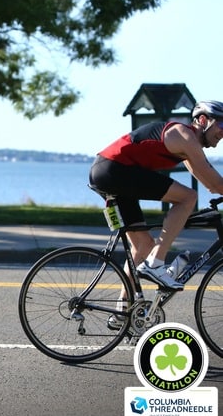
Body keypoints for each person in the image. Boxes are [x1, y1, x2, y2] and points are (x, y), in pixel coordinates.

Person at [89, 100, 223, 292]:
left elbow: (212, 185)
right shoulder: (184, 136)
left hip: (108, 173)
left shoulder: (187, 147)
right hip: (114, 170)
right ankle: (155, 263)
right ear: (203, 120)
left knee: (143, 246)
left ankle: (123, 312)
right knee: (188, 197)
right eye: (221, 124)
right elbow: (217, 184)